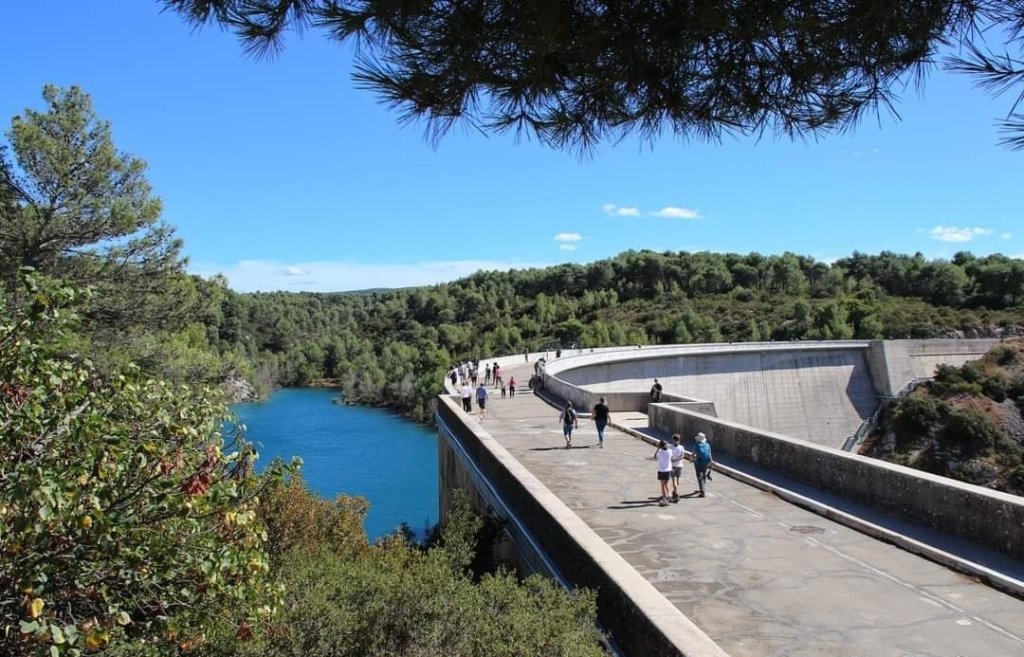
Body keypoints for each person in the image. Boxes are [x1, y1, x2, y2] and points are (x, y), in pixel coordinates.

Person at [690, 432, 714, 497]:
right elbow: (709, 454)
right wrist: (711, 461)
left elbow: (693, 454)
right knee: (703, 474)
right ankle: (703, 487)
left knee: (699, 476)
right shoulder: (707, 445)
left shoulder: (696, 445)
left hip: (698, 462)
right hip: (705, 462)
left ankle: (702, 491)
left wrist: (691, 460)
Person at [654, 439, 672, 506]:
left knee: (662, 485)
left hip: (661, 470)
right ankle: (669, 494)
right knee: (667, 483)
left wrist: (658, 448)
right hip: (668, 470)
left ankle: (664, 498)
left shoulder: (660, 452)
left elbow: (655, 456)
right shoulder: (670, 451)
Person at [669, 434, 685, 502]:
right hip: (679, 465)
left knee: (673, 480)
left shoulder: (670, 447)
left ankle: (676, 493)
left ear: (673, 440)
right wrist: (677, 459)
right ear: (679, 440)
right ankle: (675, 490)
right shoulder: (681, 447)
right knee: (677, 480)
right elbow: (682, 456)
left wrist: (673, 460)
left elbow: (668, 456)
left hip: (672, 465)